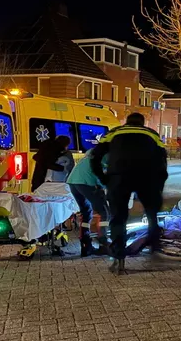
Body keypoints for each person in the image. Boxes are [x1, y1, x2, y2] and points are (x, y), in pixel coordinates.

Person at [91, 113, 168, 274]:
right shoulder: (152, 134)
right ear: (143, 122)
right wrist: (159, 184)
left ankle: (119, 258)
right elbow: (162, 159)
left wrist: (104, 178)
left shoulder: (113, 133)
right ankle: (155, 250)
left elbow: (95, 156)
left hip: (118, 179)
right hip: (147, 178)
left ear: (127, 122)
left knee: (118, 218)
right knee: (152, 214)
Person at [67, 149, 110, 257]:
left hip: (73, 181)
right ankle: (103, 243)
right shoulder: (108, 155)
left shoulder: (92, 152)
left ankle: (86, 246)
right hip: (86, 182)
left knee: (86, 213)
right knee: (104, 212)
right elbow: (100, 175)